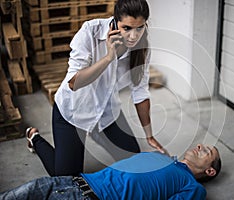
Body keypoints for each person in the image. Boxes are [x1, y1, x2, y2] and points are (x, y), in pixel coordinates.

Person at [26, 0, 166, 176]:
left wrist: (149, 135)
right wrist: (108, 57)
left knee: (134, 159)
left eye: (139, 28)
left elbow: (140, 91)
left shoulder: (142, 47)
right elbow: (73, 83)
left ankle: (97, 133)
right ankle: (34, 138)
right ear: (115, 22)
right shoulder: (89, 31)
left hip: (106, 112)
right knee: (67, 178)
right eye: (127, 28)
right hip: (73, 112)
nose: (133, 36)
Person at [0, 143, 221, 200]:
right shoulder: (164, 159)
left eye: (207, 151)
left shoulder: (192, 187)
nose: (200, 147)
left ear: (210, 171)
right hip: (71, 182)